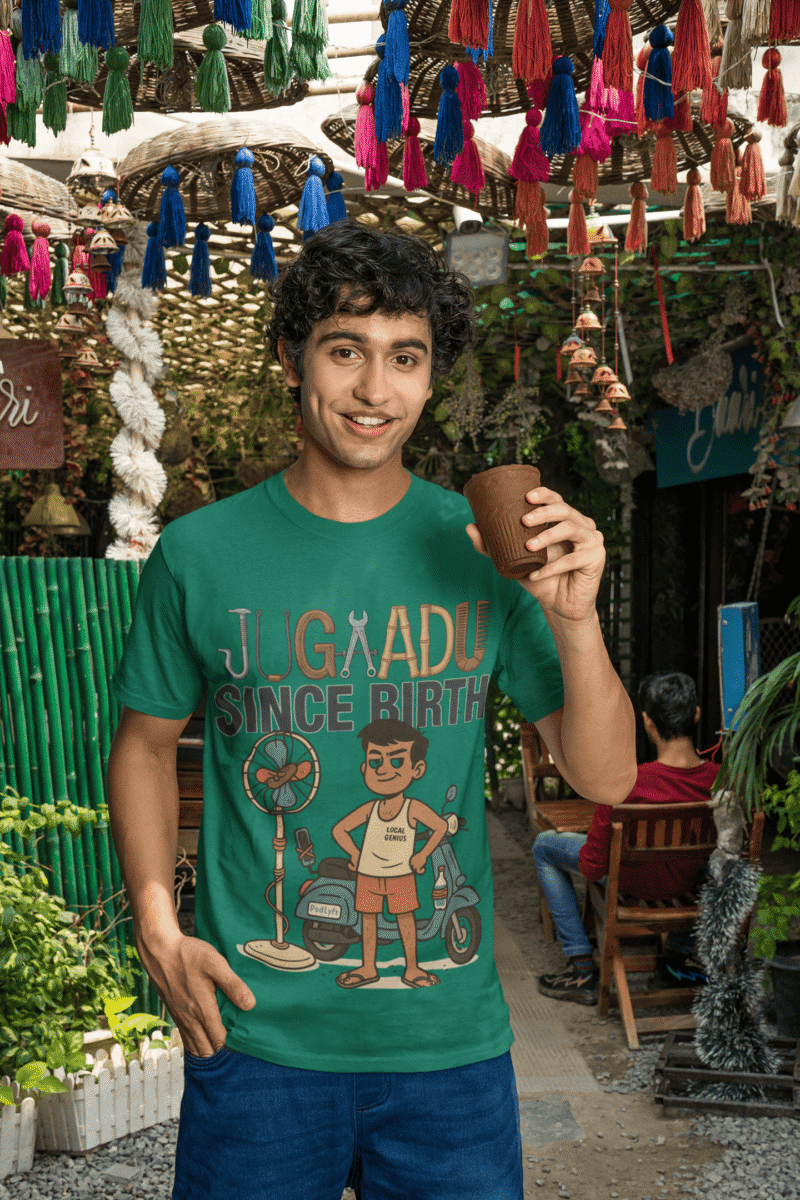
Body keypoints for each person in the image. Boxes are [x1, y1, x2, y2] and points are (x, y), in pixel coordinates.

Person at [106, 222, 636, 1200]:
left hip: (447, 1051)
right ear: (291, 358)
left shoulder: (484, 546)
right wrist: (155, 924)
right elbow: (143, 745)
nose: (374, 390)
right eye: (345, 350)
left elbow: (604, 777)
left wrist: (576, 620)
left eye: (405, 357)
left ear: (430, 379)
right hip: (256, 1040)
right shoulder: (200, 553)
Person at [534, 672, 719, 1006]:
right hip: (687, 888)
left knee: (545, 846)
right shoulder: (721, 781)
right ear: (696, 715)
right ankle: (674, 960)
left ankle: (581, 968)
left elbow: (592, 867)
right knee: (710, 867)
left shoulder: (626, 784)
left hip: (631, 888)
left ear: (646, 722)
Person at [331, 719, 448, 990]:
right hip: (368, 875)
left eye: (396, 761)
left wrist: (422, 855)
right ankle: (368, 967)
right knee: (367, 920)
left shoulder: (412, 807)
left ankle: (412, 968)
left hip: (401, 875)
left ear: (417, 769)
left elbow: (440, 826)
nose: (384, 769)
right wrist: (355, 854)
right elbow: (339, 830)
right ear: (364, 768)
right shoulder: (370, 808)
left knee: (405, 919)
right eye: (375, 762)